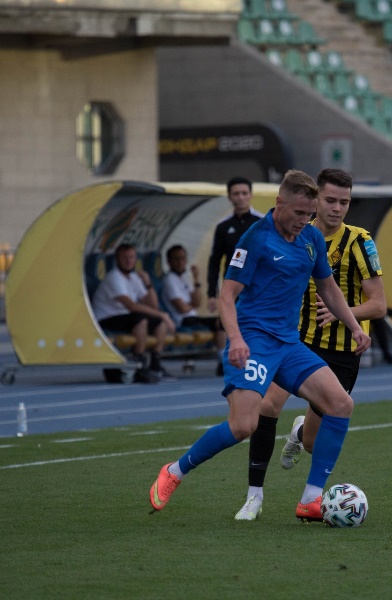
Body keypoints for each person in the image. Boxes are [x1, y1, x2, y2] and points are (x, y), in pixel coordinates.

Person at [148, 169, 371, 521]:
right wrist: (236, 339)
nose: (304, 220)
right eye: (299, 212)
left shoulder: (311, 238)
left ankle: (311, 499)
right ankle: (174, 471)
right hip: (253, 342)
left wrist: (355, 326)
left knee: (341, 403)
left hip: (289, 344)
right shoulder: (256, 239)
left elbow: (328, 288)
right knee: (243, 426)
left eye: (309, 214)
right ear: (279, 203)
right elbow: (227, 295)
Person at [235, 168, 387, 521]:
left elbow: (379, 304)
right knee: (267, 405)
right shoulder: (296, 234)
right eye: (330, 200)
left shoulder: (359, 242)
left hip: (342, 352)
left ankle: (301, 432)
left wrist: (344, 314)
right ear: (316, 199)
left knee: (312, 443)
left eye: (344, 202)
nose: (337, 208)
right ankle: (254, 497)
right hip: (297, 342)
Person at [92, 243, 176, 378]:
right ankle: (139, 364)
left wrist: (148, 283)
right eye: (125, 257)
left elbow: (152, 305)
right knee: (141, 321)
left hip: (125, 317)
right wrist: (163, 315)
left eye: (131, 257)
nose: (129, 261)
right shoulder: (114, 277)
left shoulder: (134, 278)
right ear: (117, 259)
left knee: (159, 323)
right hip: (106, 318)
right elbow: (131, 306)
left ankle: (155, 363)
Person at [207, 176, 263, 375]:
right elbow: (215, 261)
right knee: (226, 321)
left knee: (255, 322)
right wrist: (211, 293)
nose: (240, 197)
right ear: (230, 197)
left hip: (258, 287)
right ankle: (225, 359)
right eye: (236, 194)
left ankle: (256, 360)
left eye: (244, 193)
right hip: (233, 286)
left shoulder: (262, 223)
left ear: (251, 195)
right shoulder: (223, 227)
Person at [162, 244, 217, 334]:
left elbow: (198, 302)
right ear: (169, 261)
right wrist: (193, 305)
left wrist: (196, 279)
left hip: (193, 317)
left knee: (222, 322)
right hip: (183, 320)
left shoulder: (184, 279)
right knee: (220, 323)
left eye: (182, 259)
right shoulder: (169, 279)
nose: (180, 262)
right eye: (176, 259)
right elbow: (182, 308)